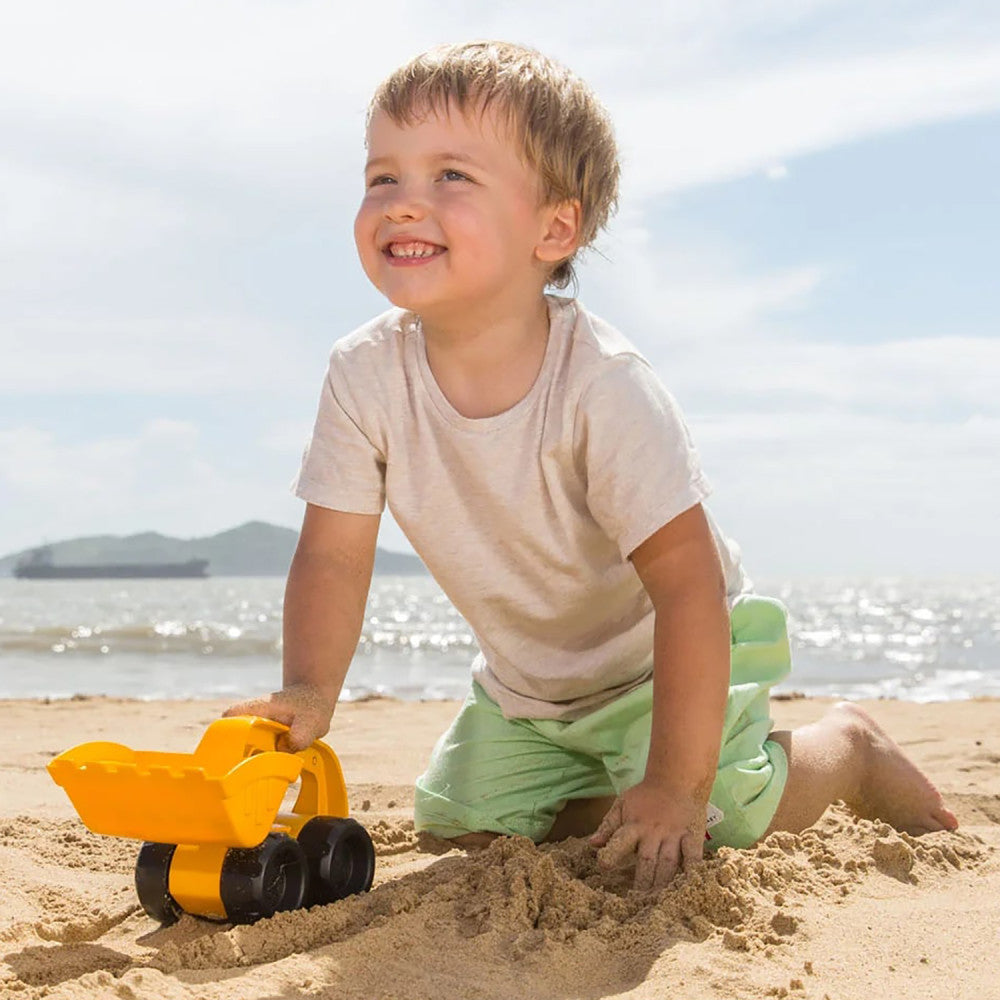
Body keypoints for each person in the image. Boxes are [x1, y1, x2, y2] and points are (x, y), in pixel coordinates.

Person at [226, 41, 958, 890]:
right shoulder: (362, 375)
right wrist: (310, 691)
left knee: (711, 819)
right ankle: (615, 782)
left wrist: (676, 789)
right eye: (382, 177)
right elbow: (334, 554)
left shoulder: (602, 387)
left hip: (669, 657)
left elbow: (687, 589)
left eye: (451, 177)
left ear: (554, 227)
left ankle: (848, 752)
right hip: (533, 689)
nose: (402, 205)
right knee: (461, 828)